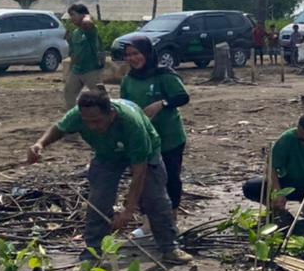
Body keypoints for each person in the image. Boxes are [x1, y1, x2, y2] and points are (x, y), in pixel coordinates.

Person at [28, 86, 186, 261]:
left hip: (145, 153)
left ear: (111, 114)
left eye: (96, 121)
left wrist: (128, 211)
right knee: (98, 199)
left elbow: (140, 172)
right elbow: (59, 128)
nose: (91, 126)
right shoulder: (79, 114)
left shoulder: (132, 124)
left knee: (155, 197)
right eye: (86, 122)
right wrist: (40, 144)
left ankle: (169, 247)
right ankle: (92, 252)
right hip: (107, 153)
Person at [118, 36, 189, 235]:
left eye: (137, 53)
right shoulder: (128, 80)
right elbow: (125, 107)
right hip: (143, 140)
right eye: (129, 55)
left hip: (169, 138)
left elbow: (182, 97)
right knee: (142, 178)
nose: (133, 58)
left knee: (171, 179)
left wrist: (162, 103)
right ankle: (147, 222)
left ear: (148, 54)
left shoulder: (164, 75)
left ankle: (171, 219)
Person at [242, 114, 304, 216]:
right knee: (251, 187)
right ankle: (277, 211)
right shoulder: (287, 138)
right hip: (290, 183)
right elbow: (271, 167)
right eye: (301, 139)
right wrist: (277, 192)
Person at [64, 4, 105, 109]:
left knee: (100, 97)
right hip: (77, 70)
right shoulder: (76, 33)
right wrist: (69, 71)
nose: (71, 18)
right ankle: (74, 117)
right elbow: (74, 53)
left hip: (91, 69)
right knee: (69, 93)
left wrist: (87, 16)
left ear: (83, 15)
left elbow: (87, 23)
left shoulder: (89, 30)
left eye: (73, 15)